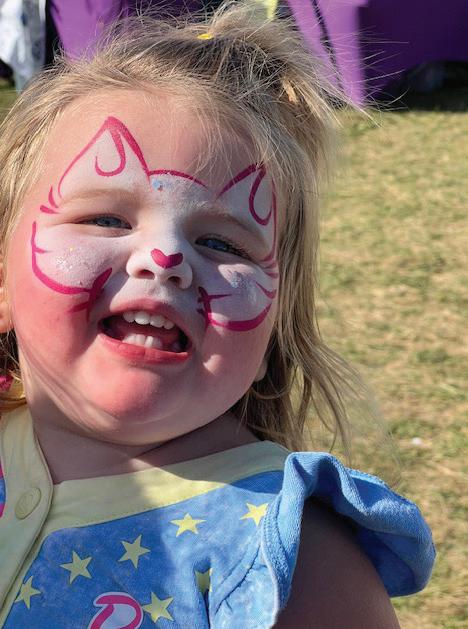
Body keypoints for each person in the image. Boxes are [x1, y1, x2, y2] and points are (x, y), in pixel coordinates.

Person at [0, 3, 434, 626]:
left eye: (223, 244)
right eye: (106, 219)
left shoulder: (296, 565)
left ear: (275, 329)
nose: (165, 257)